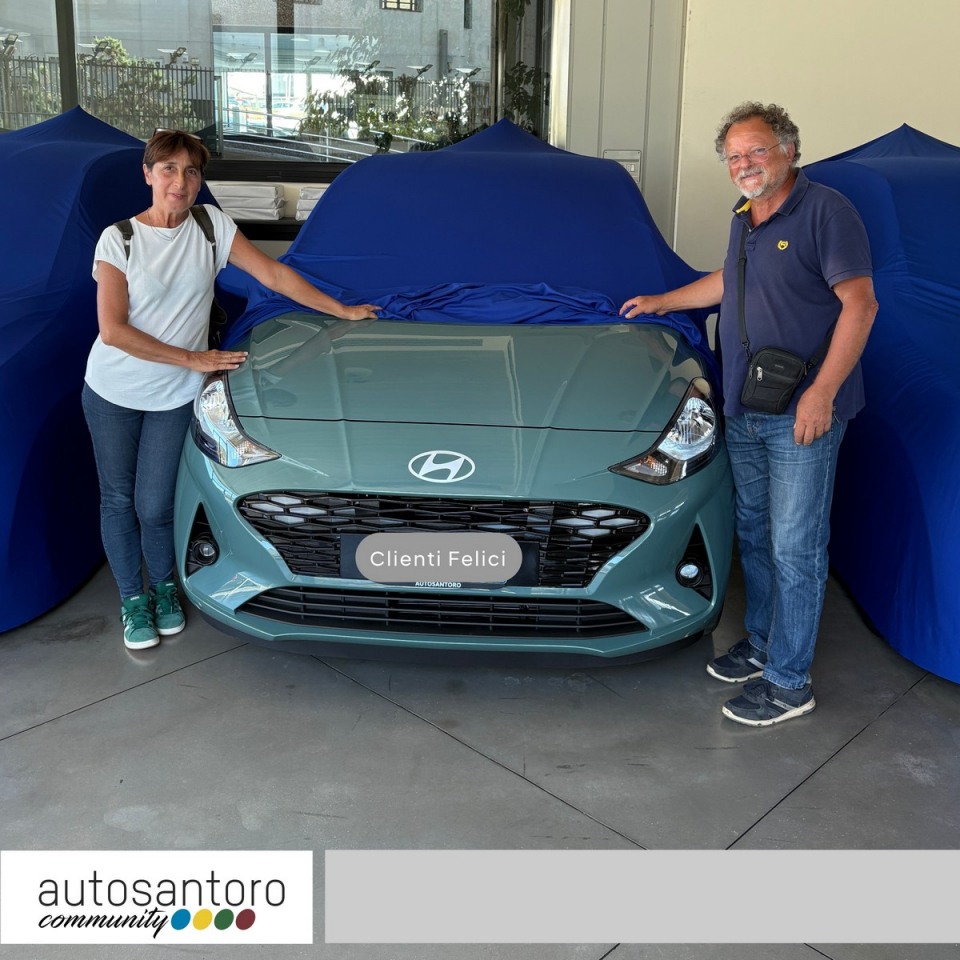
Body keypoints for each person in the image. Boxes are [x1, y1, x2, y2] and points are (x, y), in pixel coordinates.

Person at [620, 102, 877, 726]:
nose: (744, 164)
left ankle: (789, 683)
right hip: (746, 405)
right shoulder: (745, 215)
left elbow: (861, 304)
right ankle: (762, 644)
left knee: (796, 548)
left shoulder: (827, 211)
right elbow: (730, 282)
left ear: (789, 150)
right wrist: (663, 301)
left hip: (802, 413)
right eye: (734, 156)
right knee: (757, 535)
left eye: (756, 150)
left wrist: (821, 393)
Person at [84, 129, 380, 651]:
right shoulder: (120, 238)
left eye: (191, 171)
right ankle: (133, 599)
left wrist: (342, 310)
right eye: (169, 169)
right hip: (112, 390)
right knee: (118, 500)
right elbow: (113, 331)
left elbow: (273, 274)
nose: (180, 181)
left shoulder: (211, 226)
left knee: (155, 504)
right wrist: (194, 359)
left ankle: (164, 590)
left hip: (174, 395)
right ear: (148, 174)